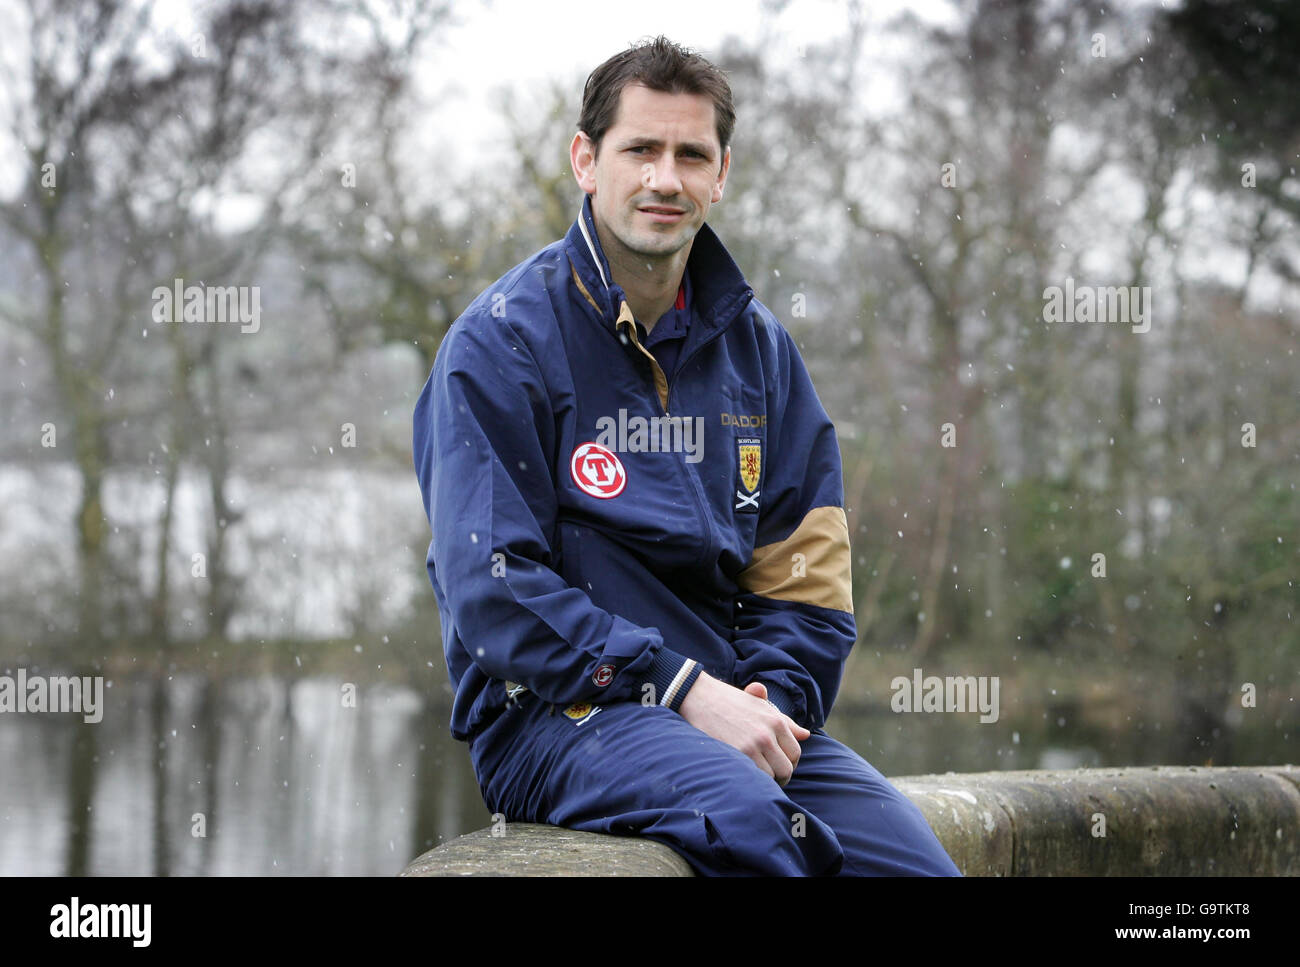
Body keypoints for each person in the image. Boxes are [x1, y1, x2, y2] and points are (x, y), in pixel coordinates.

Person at [412, 36, 960, 876]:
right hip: (556, 717)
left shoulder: (761, 353)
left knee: (914, 867)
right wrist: (676, 686)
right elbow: (493, 586)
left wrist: (766, 701)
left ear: (722, 173)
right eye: (641, 150)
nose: (665, 179)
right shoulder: (500, 344)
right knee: (759, 830)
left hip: (728, 705)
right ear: (586, 161)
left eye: (690, 155)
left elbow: (805, 582)